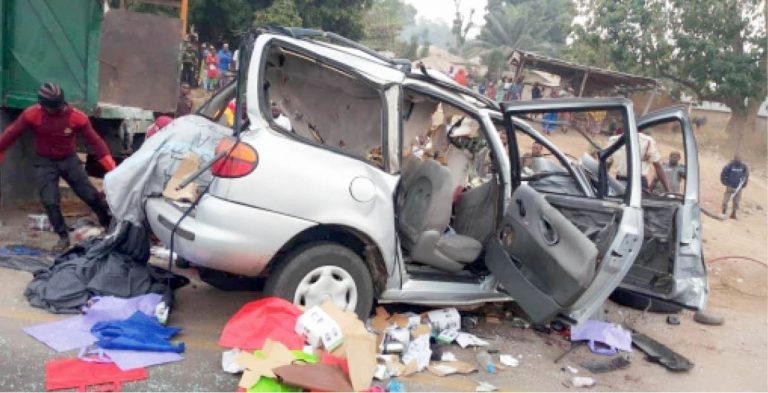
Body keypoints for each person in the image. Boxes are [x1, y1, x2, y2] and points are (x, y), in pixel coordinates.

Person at [0, 83, 116, 251]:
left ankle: (108, 223)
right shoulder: (32, 114)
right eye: (53, 108)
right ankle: (63, 237)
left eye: (59, 106)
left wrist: (111, 166)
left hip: (69, 160)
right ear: (43, 105)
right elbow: (12, 132)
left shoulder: (76, 117)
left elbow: (96, 142)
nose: (58, 110)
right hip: (45, 161)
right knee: (50, 201)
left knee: (90, 195)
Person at [720, 154, 749, 219]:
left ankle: (733, 214)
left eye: (740, 159)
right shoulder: (729, 165)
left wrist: (744, 184)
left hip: (738, 187)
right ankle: (723, 212)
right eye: (737, 159)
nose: (738, 160)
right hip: (730, 186)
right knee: (725, 200)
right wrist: (724, 182)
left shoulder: (744, 166)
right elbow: (723, 173)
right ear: (734, 159)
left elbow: (746, 175)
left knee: (736, 202)